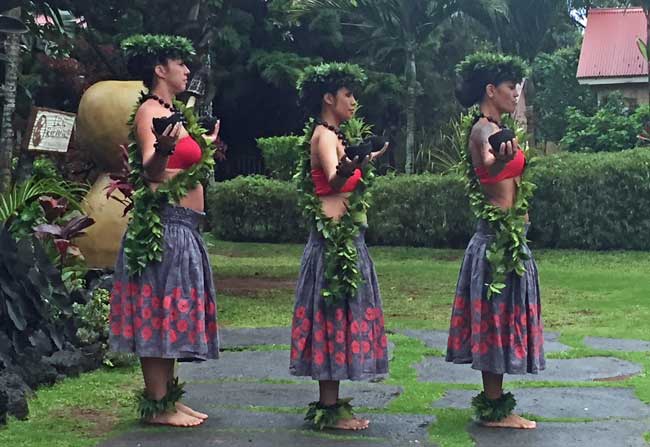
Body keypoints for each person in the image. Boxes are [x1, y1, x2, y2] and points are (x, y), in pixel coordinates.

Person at [108, 34, 220, 427]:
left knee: (169, 311)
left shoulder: (175, 113)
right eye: (180, 64)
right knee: (158, 309)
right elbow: (151, 168)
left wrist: (200, 144)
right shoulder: (148, 112)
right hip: (163, 224)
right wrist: (166, 149)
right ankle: (158, 403)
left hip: (183, 225)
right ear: (160, 70)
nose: (187, 70)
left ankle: (167, 398)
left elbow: (182, 165)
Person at [445, 52, 544, 429]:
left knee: (503, 319)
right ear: (491, 90)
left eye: (518, 86)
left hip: (512, 239)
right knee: (494, 320)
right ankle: (494, 408)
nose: (516, 92)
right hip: (496, 242)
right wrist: (500, 160)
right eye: (509, 86)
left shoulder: (501, 127)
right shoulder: (483, 129)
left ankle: (496, 404)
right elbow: (486, 162)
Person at [289, 63, 389, 431]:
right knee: (331, 319)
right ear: (329, 98)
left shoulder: (334, 136)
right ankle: (329, 410)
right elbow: (333, 180)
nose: (353, 101)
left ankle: (332, 406)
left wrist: (363, 162)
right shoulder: (324, 136)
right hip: (333, 244)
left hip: (345, 240)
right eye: (348, 94)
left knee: (339, 320)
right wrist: (352, 167)